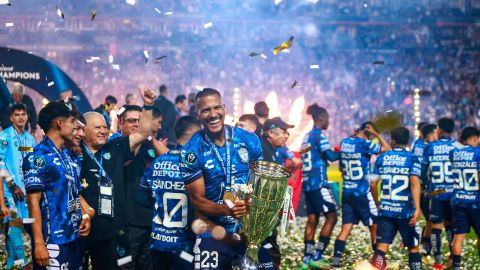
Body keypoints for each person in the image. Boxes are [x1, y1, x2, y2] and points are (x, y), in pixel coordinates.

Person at [180, 88, 273, 269]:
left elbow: (259, 183)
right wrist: (227, 210)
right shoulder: (191, 151)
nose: (213, 114)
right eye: (206, 110)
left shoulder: (249, 140)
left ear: (224, 108)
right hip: (212, 232)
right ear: (197, 114)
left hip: (249, 232)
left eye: (217, 108)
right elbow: (197, 200)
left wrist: (253, 204)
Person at [80, 87, 156, 270]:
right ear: (83, 130)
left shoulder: (115, 147)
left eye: (105, 127)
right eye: (97, 127)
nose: (103, 131)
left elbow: (143, 132)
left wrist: (148, 105)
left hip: (111, 232)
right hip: (82, 229)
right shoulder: (73, 154)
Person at [23, 101, 91, 269]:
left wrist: (84, 216)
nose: (74, 127)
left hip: (74, 238)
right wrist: (38, 243)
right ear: (60, 122)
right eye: (71, 122)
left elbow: (73, 193)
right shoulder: (37, 157)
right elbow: (32, 202)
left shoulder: (70, 156)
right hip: (52, 241)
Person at [137, 116, 202, 270]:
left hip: (158, 243)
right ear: (196, 136)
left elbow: (142, 198)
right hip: (185, 246)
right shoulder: (197, 165)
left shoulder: (157, 162)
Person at [331, 121, 390, 268]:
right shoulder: (365, 144)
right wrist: (377, 134)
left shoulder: (344, 142)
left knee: (346, 228)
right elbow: (387, 149)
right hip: (362, 193)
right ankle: (378, 261)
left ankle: (336, 262)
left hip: (347, 192)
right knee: (375, 225)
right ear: (368, 131)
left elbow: (341, 169)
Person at [369, 127, 422, 270]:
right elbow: (414, 183)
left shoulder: (382, 158)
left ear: (392, 140)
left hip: (386, 210)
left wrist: (378, 203)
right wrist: (417, 208)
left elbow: (373, 183)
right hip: (406, 212)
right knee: (413, 248)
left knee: (380, 249)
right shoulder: (412, 158)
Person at [124, 106, 168, 270]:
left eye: (139, 121)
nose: (136, 124)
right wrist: (142, 135)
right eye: (132, 121)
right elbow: (126, 159)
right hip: (130, 223)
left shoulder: (150, 145)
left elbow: (169, 159)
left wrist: (149, 137)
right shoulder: (121, 145)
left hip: (152, 223)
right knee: (126, 265)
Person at [300, 104, 339, 269]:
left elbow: (307, 155)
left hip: (308, 183)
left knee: (312, 220)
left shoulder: (306, 137)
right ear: (321, 118)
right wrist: (344, 151)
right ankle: (318, 255)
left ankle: (306, 259)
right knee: (332, 217)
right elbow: (330, 155)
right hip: (318, 183)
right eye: (327, 118)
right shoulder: (318, 135)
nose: (328, 121)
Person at [0, 104, 36, 269]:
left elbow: (31, 164)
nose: (20, 117)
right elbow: (0, 164)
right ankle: (22, 264)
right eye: (17, 114)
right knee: (14, 223)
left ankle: (9, 264)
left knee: (20, 225)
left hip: (26, 191)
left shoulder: (30, 139)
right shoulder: (4, 137)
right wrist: (12, 185)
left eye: (23, 114)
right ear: (11, 118)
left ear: (27, 116)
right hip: (10, 191)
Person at [422, 117, 457, 269]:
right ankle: (452, 257)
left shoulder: (430, 147)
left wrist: (425, 186)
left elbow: (423, 171)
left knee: (436, 227)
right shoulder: (457, 147)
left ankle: (437, 261)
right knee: (450, 226)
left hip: (437, 191)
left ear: (439, 130)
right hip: (453, 191)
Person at [260, 117, 294, 269]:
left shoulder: (272, 149)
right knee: (268, 249)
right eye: (284, 132)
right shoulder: (262, 149)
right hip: (261, 211)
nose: (287, 136)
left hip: (268, 208)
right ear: (271, 133)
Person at [449, 126, 480, 270]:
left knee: (458, 237)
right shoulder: (478, 153)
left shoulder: (454, 153)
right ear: (475, 138)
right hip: (475, 201)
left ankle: (456, 267)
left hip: (458, 200)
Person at [410, 122, 431, 259]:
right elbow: (425, 168)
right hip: (424, 187)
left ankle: (417, 241)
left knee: (418, 216)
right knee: (430, 219)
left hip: (416, 185)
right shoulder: (427, 146)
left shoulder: (415, 145)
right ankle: (425, 244)